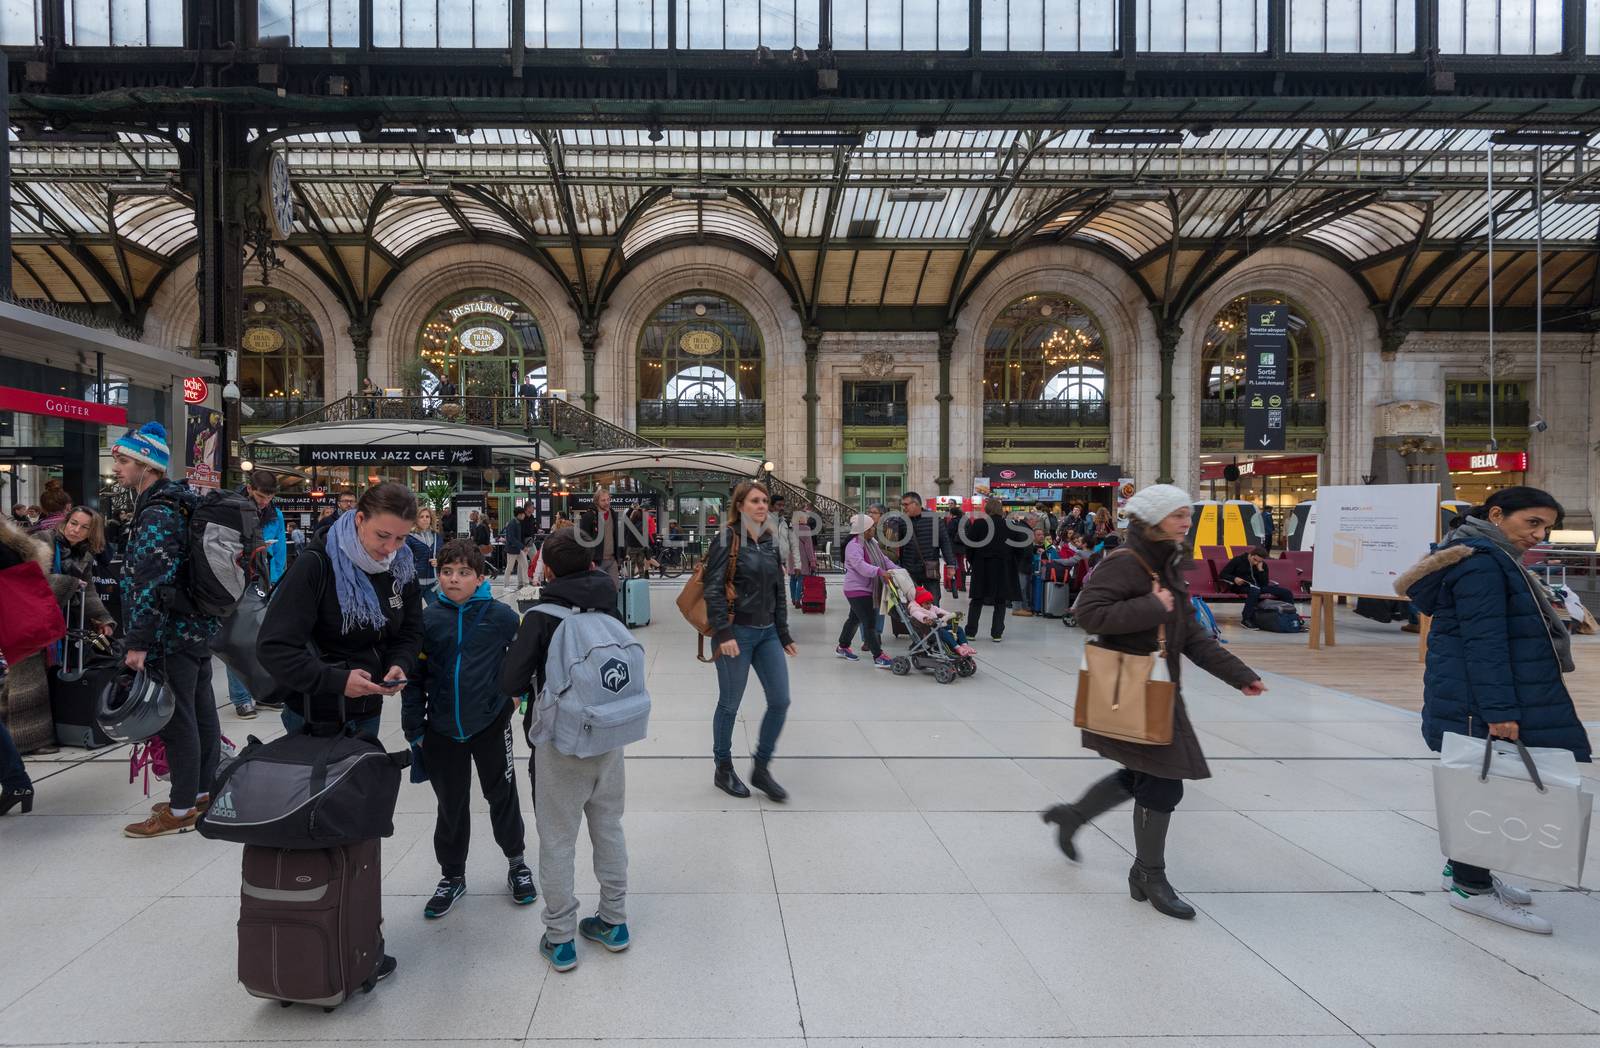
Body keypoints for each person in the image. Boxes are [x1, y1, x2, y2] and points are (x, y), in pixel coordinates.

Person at [1042, 484, 1265, 920]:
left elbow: (1189, 635)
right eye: (1178, 515)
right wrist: (1150, 605)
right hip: (1134, 686)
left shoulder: (1168, 563)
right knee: (1164, 781)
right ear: (1153, 519)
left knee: (1146, 775)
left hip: (1157, 687)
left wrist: (1239, 674)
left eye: (1187, 514)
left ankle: (1073, 818)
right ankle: (1148, 873)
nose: (1187, 521)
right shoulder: (1126, 562)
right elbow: (1087, 613)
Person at [1398, 486, 1590, 935]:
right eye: (1533, 523)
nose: (1539, 535)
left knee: (1479, 781)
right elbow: (1484, 643)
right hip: (1478, 699)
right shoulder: (1483, 563)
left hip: (1473, 693)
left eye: (1547, 527)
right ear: (1498, 514)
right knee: (1482, 787)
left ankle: (1464, 871)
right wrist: (1500, 710)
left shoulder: (1482, 554)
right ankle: (1472, 887)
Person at [498, 529, 633, 973]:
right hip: (610, 736)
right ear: (593, 565)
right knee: (609, 826)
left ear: (548, 569)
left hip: (561, 745)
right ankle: (613, 921)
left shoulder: (540, 616)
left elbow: (511, 683)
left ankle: (560, 938)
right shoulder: (609, 605)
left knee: (557, 839)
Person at [401, 539, 533, 919]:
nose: (453, 579)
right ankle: (452, 875)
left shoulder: (502, 617)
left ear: (479, 578)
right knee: (450, 806)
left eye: (462, 573)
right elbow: (414, 678)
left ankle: (517, 862)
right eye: (446, 572)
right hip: (441, 730)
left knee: (502, 795)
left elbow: (524, 660)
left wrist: (514, 700)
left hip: (490, 725)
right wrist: (416, 730)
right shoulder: (427, 621)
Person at [111, 422, 225, 839]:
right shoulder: (179, 504)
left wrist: (138, 643)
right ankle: (199, 795)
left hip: (170, 634)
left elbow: (150, 583)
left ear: (147, 465)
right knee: (200, 713)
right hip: (195, 629)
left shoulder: (158, 511)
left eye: (123, 460)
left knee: (179, 722)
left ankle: (179, 810)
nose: (117, 468)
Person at [257, 482, 423, 737]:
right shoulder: (316, 564)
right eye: (382, 535)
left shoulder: (401, 565)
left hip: (367, 709)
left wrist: (401, 662)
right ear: (360, 519)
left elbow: (411, 629)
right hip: (314, 712)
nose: (390, 548)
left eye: (400, 538)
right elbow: (274, 647)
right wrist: (338, 680)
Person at [703, 480, 796, 802]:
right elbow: (712, 588)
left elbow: (778, 591)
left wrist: (783, 632)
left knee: (780, 700)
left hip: (767, 632)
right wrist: (723, 632)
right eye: (755, 501)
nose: (761, 506)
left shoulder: (770, 542)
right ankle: (723, 767)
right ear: (740, 505)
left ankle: (761, 767)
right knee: (730, 703)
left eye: (765, 501)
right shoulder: (726, 539)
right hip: (736, 632)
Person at [0, 514, 65, 756]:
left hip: (17, 614)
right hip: (15, 614)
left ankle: (17, 739)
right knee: (24, 676)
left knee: (20, 676)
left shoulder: (8, 534)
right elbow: (19, 568)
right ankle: (26, 740)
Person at [226, 471, 288, 719]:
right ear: (249, 488)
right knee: (238, 639)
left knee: (265, 640)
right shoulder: (232, 509)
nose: (264, 502)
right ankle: (241, 697)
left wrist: (275, 581)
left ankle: (264, 691)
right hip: (238, 581)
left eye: (269, 497)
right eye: (261, 496)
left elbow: (281, 550)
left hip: (266, 581)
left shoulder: (275, 514)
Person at [963, 498, 1029, 643]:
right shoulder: (1009, 525)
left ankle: (971, 632)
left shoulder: (979, 524)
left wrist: (973, 561)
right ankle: (997, 633)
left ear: (987, 509)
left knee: (977, 599)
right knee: (1000, 601)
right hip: (1003, 567)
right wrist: (1013, 562)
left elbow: (970, 545)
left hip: (982, 566)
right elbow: (1021, 546)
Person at [836, 513, 892, 668]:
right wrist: (880, 572)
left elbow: (884, 560)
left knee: (854, 619)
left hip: (867, 588)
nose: (874, 529)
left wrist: (898, 570)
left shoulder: (871, 542)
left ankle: (842, 647)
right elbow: (861, 567)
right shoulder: (853, 545)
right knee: (869, 622)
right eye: (872, 527)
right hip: (857, 589)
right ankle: (878, 655)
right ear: (864, 530)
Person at [886, 491, 956, 605]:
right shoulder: (902, 521)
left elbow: (945, 542)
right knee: (912, 604)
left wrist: (951, 565)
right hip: (909, 570)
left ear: (916, 504)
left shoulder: (934, 519)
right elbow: (893, 542)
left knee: (933, 603)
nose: (904, 508)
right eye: (903, 505)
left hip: (930, 569)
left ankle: (932, 622)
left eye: (906, 505)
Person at [1217, 546, 1297, 630]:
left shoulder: (1262, 565)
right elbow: (1223, 574)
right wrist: (1234, 579)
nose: (1256, 563)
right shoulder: (1238, 560)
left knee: (1286, 592)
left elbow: (1264, 583)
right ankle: (1246, 619)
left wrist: (1260, 570)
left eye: (1259, 561)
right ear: (1251, 555)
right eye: (1255, 560)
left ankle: (1291, 616)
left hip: (1258, 587)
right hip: (1241, 586)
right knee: (1255, 591)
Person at [578, 487, 627, 586]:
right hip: (596, 562)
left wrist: (621, 555)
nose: (607, 502)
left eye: (608, 499)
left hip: (612, 560)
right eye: (603, 500)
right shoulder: (589, 516)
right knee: (598, 590)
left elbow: (617, 536)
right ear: (597, 501)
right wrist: (588, 559)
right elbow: (582, 538)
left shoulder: (613, 514)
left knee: (614, 589)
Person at [908, 587, 975, 656]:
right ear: (920, 603)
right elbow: (918, 615)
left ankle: (964, 645)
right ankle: (957, 647)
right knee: (946, 633)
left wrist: (951, 615)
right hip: (930, 631)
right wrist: (925, 618)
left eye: (930, 603)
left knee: (959, 629)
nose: (929, 606)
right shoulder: (916, 609)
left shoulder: (932, 607)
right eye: (927, 603)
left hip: (938, 627)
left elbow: (940, 611)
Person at [407, 506, 443, 593]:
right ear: (416, 519)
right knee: (414, 607)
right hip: (415, 583)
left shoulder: (436, 536)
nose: (425, 519)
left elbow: (442, 554)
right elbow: (405, 559)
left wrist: (439, 561)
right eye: (421, 516)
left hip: (433, 582)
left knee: (436, 606)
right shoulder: (409, 537)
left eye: (427, 517)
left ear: (431, 519)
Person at [502, 504, 529, 590]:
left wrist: (522, 547)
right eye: (523, 514)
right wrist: (522, 547)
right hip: (512, 549)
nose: (524, 515)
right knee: (509, 567)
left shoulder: (518, 523)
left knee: (525, 565)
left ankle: (526, 584)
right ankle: (506, 586)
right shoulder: (512, 523)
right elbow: (511, 538)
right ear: (519, 514)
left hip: (518, 549)